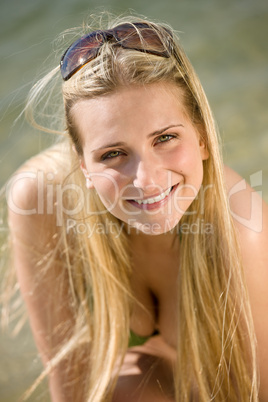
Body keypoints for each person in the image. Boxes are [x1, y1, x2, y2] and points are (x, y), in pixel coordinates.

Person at [5, 13, 268, 402]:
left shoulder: (241, 225)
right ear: (83, 165)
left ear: (202, 137)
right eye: (113, 153)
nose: (146, 180)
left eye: (164, 138)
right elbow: (71, 385)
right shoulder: (39, 200)